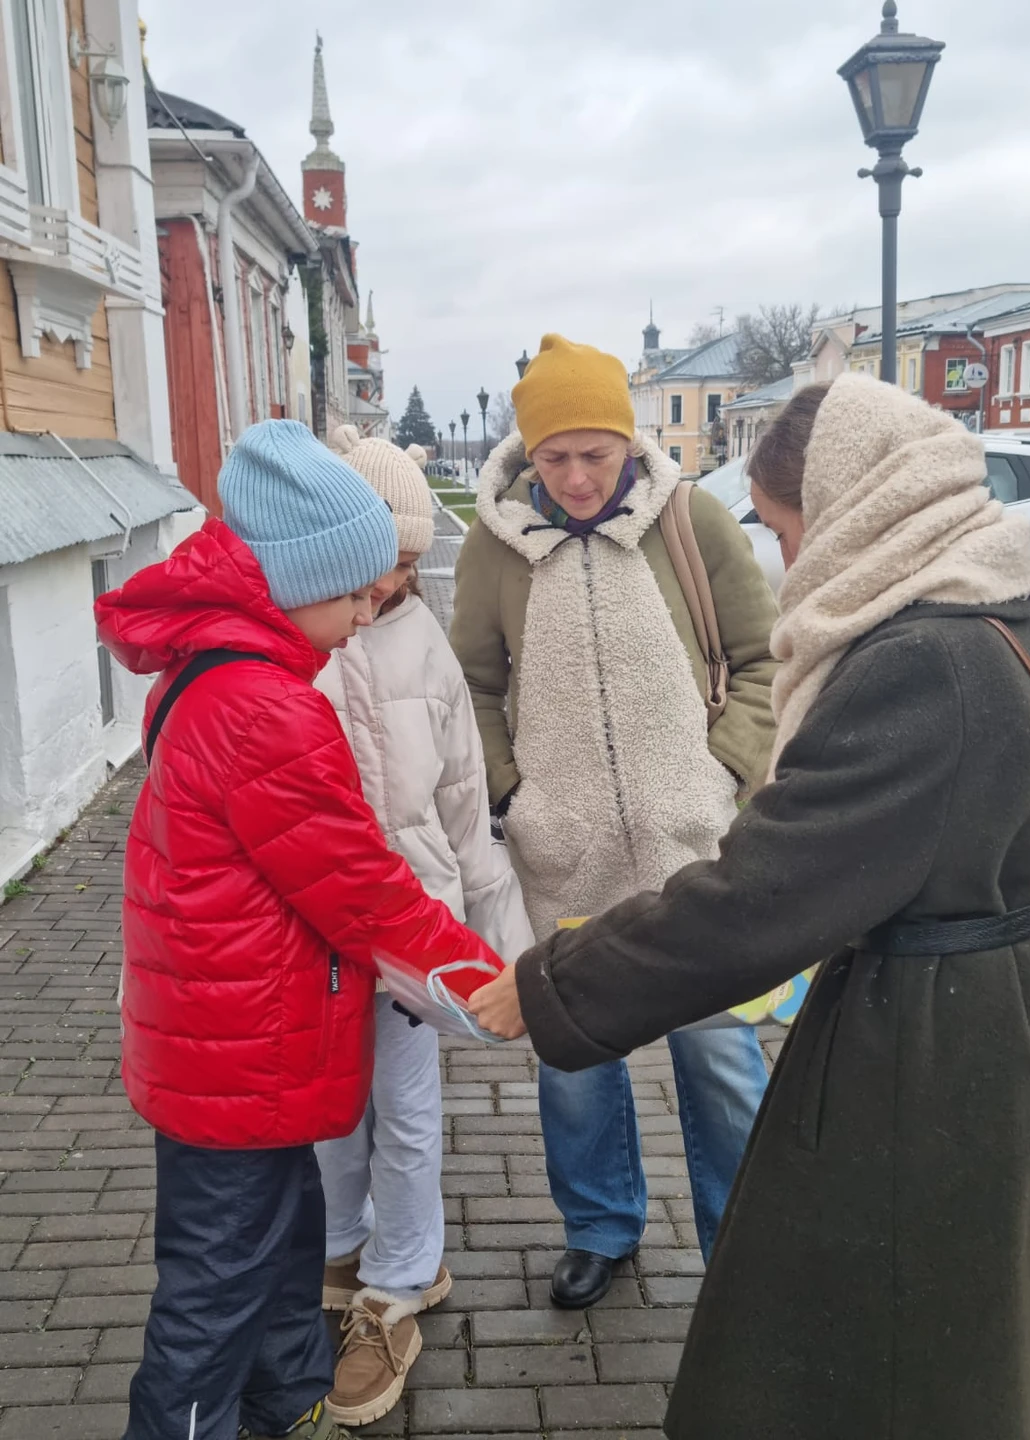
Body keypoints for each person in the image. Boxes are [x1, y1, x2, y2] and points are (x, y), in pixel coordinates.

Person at [469, 373, 1030, 1440]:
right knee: (1006, 1302)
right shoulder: (1011, 602)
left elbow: (758, 900)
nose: (792, 562)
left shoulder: (922, 662)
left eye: (792, 533)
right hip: (1021, 1007)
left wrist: (556, 985)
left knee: (905, 1339)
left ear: (853, 503)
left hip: (944, 1045)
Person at [94, 420, 504, 1440]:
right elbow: (362, 890)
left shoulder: (215, 669)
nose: (371, 611)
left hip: (233, 1046)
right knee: (214, 1299)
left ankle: (288, 1407)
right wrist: (497, 987)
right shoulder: (266, 708)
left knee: (283, 1260)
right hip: (240, 1055)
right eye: (355, 591)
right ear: (297, 579)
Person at [450, 334, 779, 1307]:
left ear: (628, 442)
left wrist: (723, 770)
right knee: (575, 1063)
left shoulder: (690, 520)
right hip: (564, 855)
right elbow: (472, 684)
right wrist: (513, 796)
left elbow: (764, 657)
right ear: (530, 454)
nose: (577, 477)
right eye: (554, 457)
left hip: (691, 854)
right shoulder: (496, 543)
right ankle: (598, 1225)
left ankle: (745, 1247)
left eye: (595, 453)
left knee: (720, 1062)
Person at [311, 431, 534, 1425]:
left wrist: (500, 946)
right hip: (314, 932)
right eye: (381, 561)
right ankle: (344, 1242)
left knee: (403, 1110)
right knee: (330, 1107)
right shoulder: (296, 640)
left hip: (410, 927)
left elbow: (463, 804)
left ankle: (400, 1280)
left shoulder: (426, 649)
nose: (394, 582)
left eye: (409, 563)